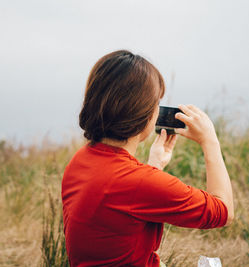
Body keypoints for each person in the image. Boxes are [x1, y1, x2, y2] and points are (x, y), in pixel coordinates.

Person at [61, 50, 234, 267]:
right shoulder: (138, 182)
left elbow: (119, 214)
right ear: (144, 113)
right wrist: (210, 142)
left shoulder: (80, 161)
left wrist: (154, 166)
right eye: (156, 104)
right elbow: (224, 212)